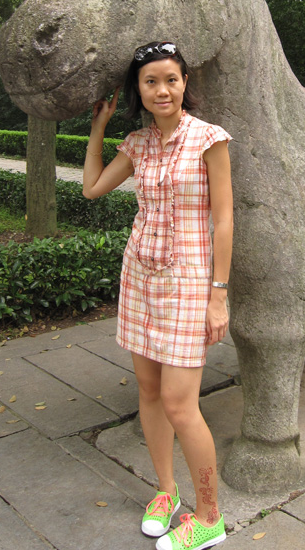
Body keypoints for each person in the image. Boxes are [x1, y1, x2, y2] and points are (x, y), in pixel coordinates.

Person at [83, 41, 233, 550]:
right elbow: (91, 188)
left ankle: (209, 517)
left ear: (185, 82)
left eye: (171, 79)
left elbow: (224, 220)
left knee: (179, 404)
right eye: (151, 81)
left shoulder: (209, 139)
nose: (162, 90)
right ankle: (166, 491)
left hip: (190, 283)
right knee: (147, 393)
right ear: (139, 90)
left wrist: (218, 294)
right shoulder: (138, 144)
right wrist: (99, 128)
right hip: (140, 280)